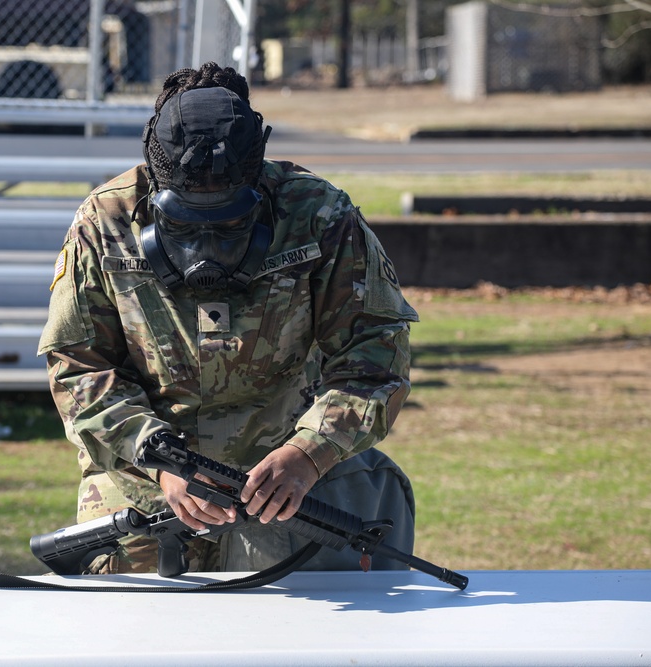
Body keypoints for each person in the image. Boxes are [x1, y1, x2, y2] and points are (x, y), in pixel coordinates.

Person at [37, 62, 420, 575]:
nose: (207, 244)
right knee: (132, 637)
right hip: (146, 480)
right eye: (187, 219)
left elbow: (375, 354)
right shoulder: (104, 223)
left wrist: (309, 454)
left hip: (287, 479)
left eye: (230, 220)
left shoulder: (319, 216)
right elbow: (79, 367)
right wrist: (160, 462)